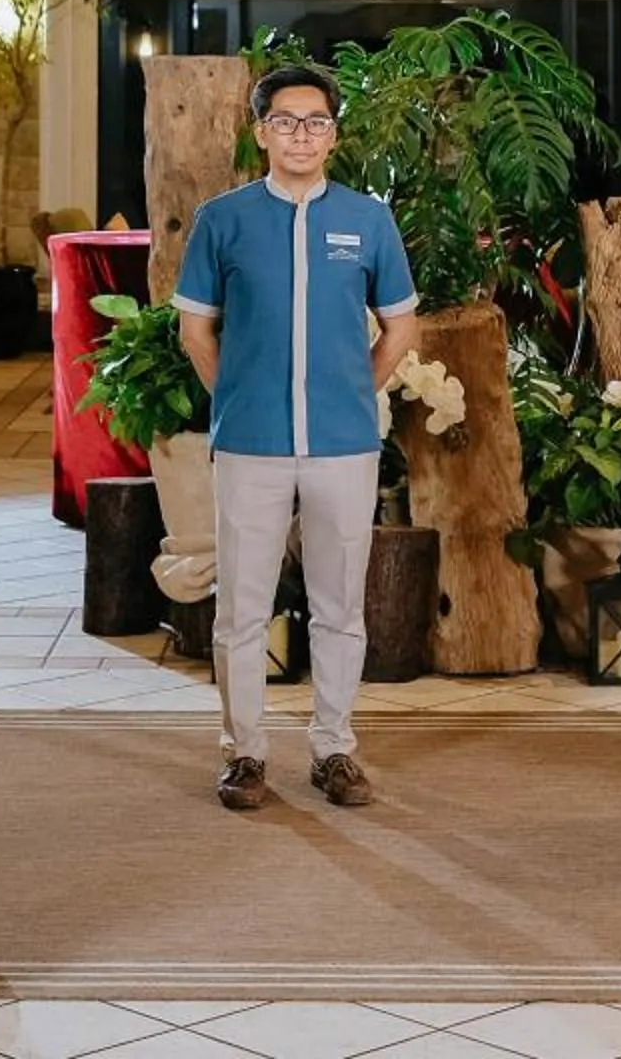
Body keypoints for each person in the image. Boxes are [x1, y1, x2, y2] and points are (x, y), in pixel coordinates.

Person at [173, 62, 418, 813]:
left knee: (340, 605)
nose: (301, 135)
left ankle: (334, 749)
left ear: (334, 135)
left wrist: (356, 392)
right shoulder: (223, 219)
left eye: (316, 122)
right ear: (262, 132)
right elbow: (195, 330)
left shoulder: (368, 221)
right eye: (285, 121)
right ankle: (244, 753)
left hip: (344, 445)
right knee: (242, 608)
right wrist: (238, 398)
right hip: (250, 443)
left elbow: (400, 326)